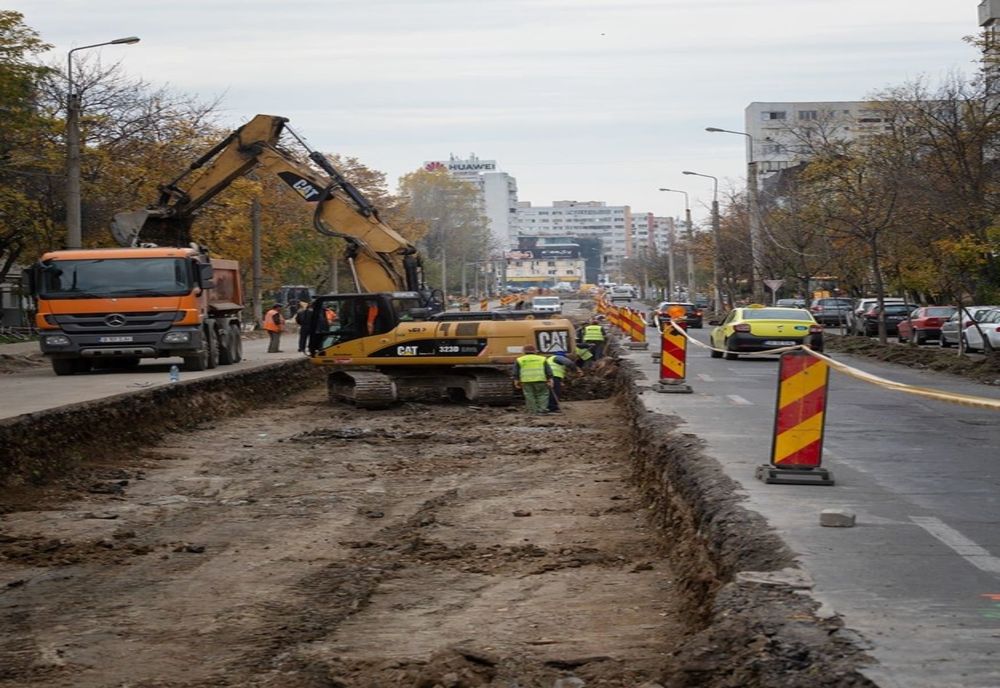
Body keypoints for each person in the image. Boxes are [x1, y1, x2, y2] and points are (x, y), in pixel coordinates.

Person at [513, 344, 552, 414]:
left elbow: (516, 372)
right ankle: (542, 410)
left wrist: (516, 381)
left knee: (529, 395)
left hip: (526, 380)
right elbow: (548, 370)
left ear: (524, 351)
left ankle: (533, 411)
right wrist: (550, 379)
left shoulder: (519, 359)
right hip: (541, 379)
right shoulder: (542, 358)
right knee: (543, 394)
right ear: (535, 351)